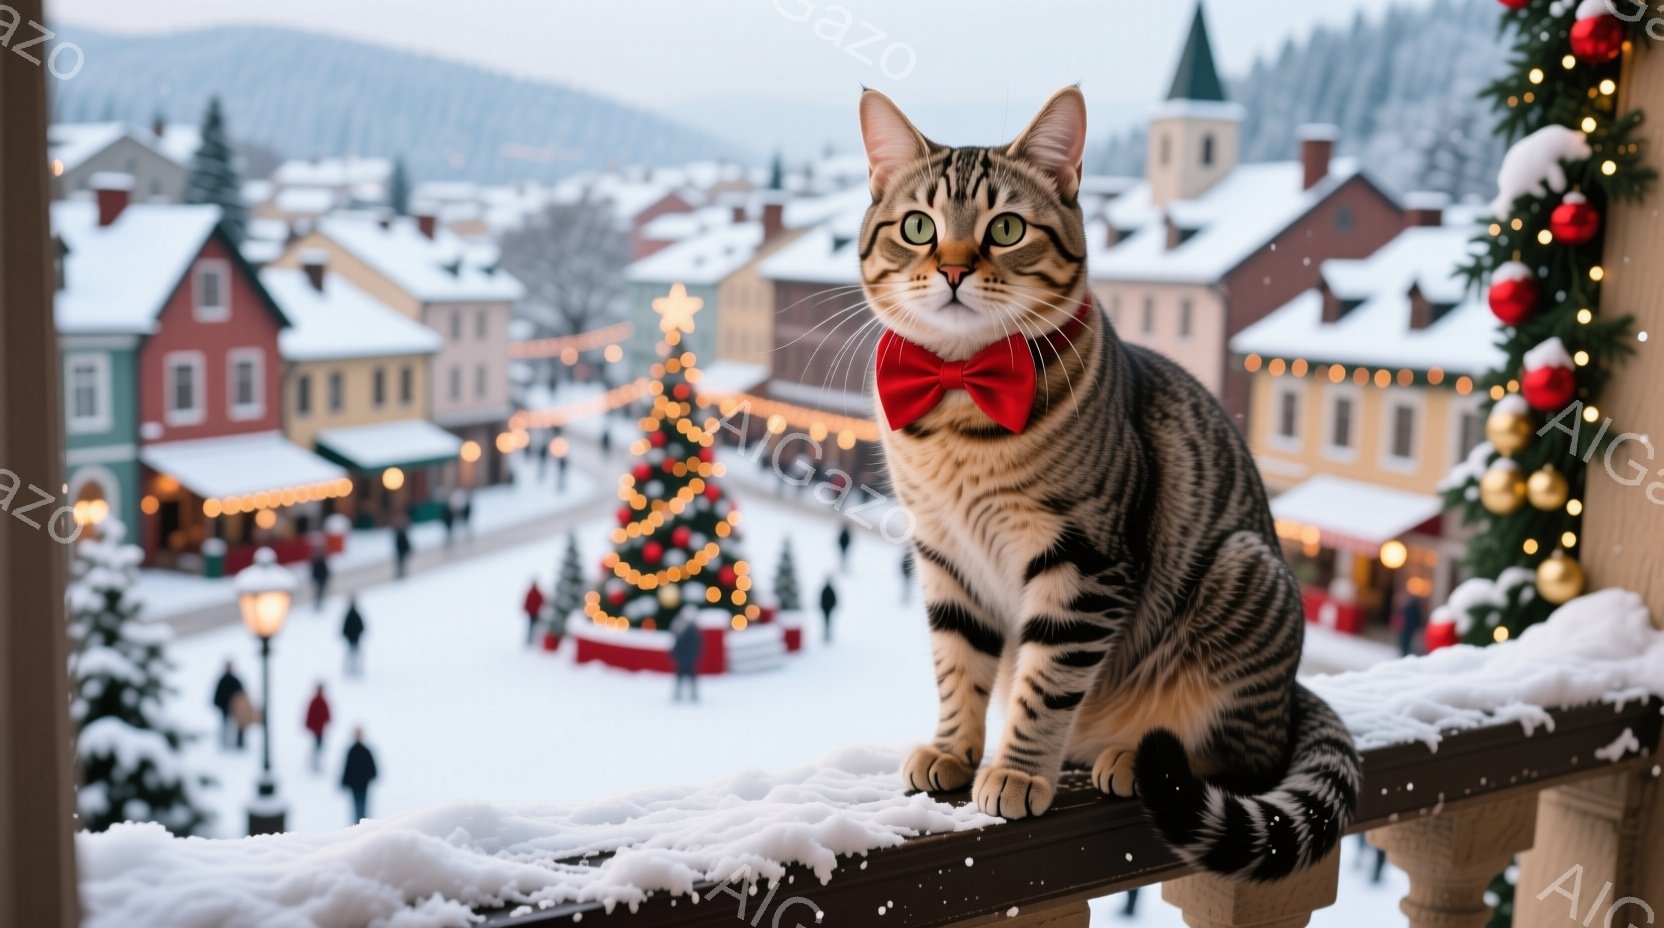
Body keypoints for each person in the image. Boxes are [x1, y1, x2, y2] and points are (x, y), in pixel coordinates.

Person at [340, 727, 378, 824]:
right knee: (356, 805)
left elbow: (372, 767)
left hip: (364, 784)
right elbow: (347, 768)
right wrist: (344, 781)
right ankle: (358, 823)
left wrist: (371, 776)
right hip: (354, 785)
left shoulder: (366, 751)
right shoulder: (351, 751)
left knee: (363, 804)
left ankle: (363, 823)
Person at [670, 610, 703, 703]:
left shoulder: (690, 631)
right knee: (683, 677)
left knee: (687, 677)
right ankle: (682, 694)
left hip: (687, 658)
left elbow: (696, 645)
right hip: (685, 658)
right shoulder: (686, 630)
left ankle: (691, 694)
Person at [212, 661, 246, 750]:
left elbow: (241, 694)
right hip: (225, 708)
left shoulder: (235, 680)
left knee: (238, 726)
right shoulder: (222, 680)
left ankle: (239, 744)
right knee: (225, 726)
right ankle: (225, 744)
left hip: (236, 708)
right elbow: (218, 694)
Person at [304, 683, 332, 772]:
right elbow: (310, 714)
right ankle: (315, 761)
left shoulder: (322, 700)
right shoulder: (315, 701)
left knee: (319, 745)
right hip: (316, 728)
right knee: (317, 744)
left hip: (320, 728)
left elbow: (326, 713)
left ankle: (317, 760)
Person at [1397, 586, 1427, 658]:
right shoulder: (1410, 606)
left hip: (1408, 627)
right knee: (1405, 642)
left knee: (1406, 642)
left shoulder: (1411, 606)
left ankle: (1405, 654)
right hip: (1407, 627)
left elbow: (1414, 618)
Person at [341, 597, 366, 677]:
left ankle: (353, 669)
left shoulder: (351, 615)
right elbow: (361, 627)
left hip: (353, 638)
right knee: (353, 654)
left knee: (352, 654)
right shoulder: (354, 614)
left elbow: (361, 627)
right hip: (354, 638)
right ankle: (352, 669)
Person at [522, 578, 546, 646]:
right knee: (533, 627)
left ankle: (532, 640)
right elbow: (527, 602)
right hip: (533, 613)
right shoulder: (534, 592)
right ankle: (531, 640)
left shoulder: (534, 592)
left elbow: (542, 601)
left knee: (533, 627)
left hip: (534, 613)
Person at [819, 577, 839, 644]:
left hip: (828, 609)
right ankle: (826, 634)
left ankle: (827, 634)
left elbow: (834, 599)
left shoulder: (828, 590)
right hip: (826, 609)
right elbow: (822, 599)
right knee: (826, 622)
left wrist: (832, 605)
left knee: (827, 622)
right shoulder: (826, 590)